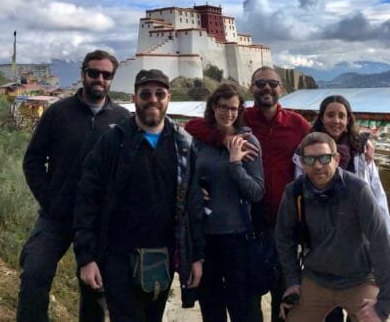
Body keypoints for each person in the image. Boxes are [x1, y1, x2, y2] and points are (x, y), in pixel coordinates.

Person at [73, 69, 205, 322]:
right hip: (117, 255)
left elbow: (193, 205)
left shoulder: (184, 145)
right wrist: (86, 257)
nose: (153, 99)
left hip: (162, 256)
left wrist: (197, 256)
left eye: (160, 93)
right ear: (135, 98)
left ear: (169, 98)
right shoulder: (113, 141)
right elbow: (87, 198)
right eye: (146, 94)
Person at [17, 49, 130, 322]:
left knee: (94, 290)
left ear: (112, 79)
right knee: (34, 274)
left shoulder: (123, 119)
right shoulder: (58, 113)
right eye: (93, 73)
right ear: (83, 74)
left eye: (106, 75)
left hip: (97, 221)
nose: (99, 79)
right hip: (57, 216)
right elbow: (33, 160)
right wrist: (50, 199)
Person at [276, 132, 390, 322]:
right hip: (316, 278)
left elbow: (381, 243)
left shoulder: (357, 190)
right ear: (302, 162)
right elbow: (284, 239)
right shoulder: (294, 192)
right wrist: (292, 282)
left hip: (359, 279)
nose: (317, 166)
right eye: (310, 159)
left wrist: (383, 306)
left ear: (336, 159)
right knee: (292, 317)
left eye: (324, 158)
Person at [185, 83, 265, 322]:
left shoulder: (248, 142)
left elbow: (257, 193)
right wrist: (195, 190)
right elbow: (185, 180)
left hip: (237, 236)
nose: (228, 113)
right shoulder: (197, 140)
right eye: (223, 107)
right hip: (204, 236)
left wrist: (235, 164)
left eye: (234, 108)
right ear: (213, 106)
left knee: (244, 308)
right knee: (210, 307)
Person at [243, 67, 311, 322]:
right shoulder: (240, 119)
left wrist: (360, 140)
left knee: (283, 294)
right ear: (251, 88)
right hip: (247, 222)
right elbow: (198, 127)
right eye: (260, 83)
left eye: (273, 83)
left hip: (285, 224)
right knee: (248, 293)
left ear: (281, 88)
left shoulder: (297, 124)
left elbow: (326, 145)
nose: (267, 88)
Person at [295, 95, 390, 239]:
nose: (336, 121)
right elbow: (300, 191)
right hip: (320, 233)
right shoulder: (307, 151)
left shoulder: (360, 152)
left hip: (357, 231)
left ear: (348, 121)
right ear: (322, 118)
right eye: (330, 115)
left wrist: (388, 236)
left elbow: (377, 194)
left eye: (342, 116)